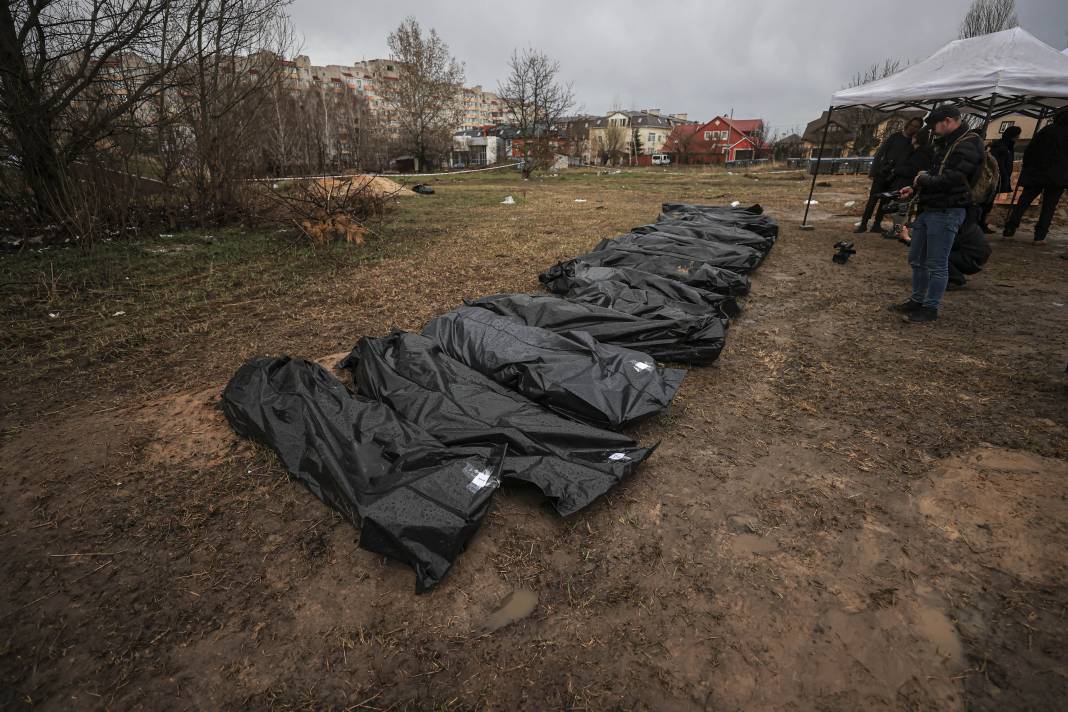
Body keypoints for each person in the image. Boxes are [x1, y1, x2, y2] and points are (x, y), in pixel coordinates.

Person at [890, 105, 984, 323]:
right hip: (930, 208)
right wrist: (915, 188)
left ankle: (930, 308)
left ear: (949, 121)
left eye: (935, 125)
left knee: (936, 263)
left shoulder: (968, 144)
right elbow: (936, 174)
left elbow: (954, 179)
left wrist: (923, 179)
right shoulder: (946, 144)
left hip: (947, 211)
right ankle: (917, 300)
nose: (933, 130)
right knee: (917, 258)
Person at [1002, 110, 1068, 244]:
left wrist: (1028, 167)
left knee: (1023, 202)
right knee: (1049, 207)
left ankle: (1009, 230)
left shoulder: (1046, 131)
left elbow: (1030, 150)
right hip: (1057, 178)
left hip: (1037, 173)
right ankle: (1040, 236)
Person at [856, 116, 923, 233]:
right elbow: (880, 153)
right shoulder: (895, 137)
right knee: (873, 200)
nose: (913, 128)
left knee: (885, 201)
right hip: (883, 173)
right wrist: (873, 171)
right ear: (908, 124)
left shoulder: (913, 143)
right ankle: (863, 224)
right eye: (912, 125)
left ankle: (877, 225)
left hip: (896, 176)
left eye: (916, 127)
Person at [978, 125, 1021, 232]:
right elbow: (998, 165)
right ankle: (979, 223)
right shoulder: (1002, 148)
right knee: (986, 202)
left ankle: (980, 223)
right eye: (1017, 136)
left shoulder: (1005, 146)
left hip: (998, 178)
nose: (1018, 138)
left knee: (988, 202)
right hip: (995, 179)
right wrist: (1004, 177)